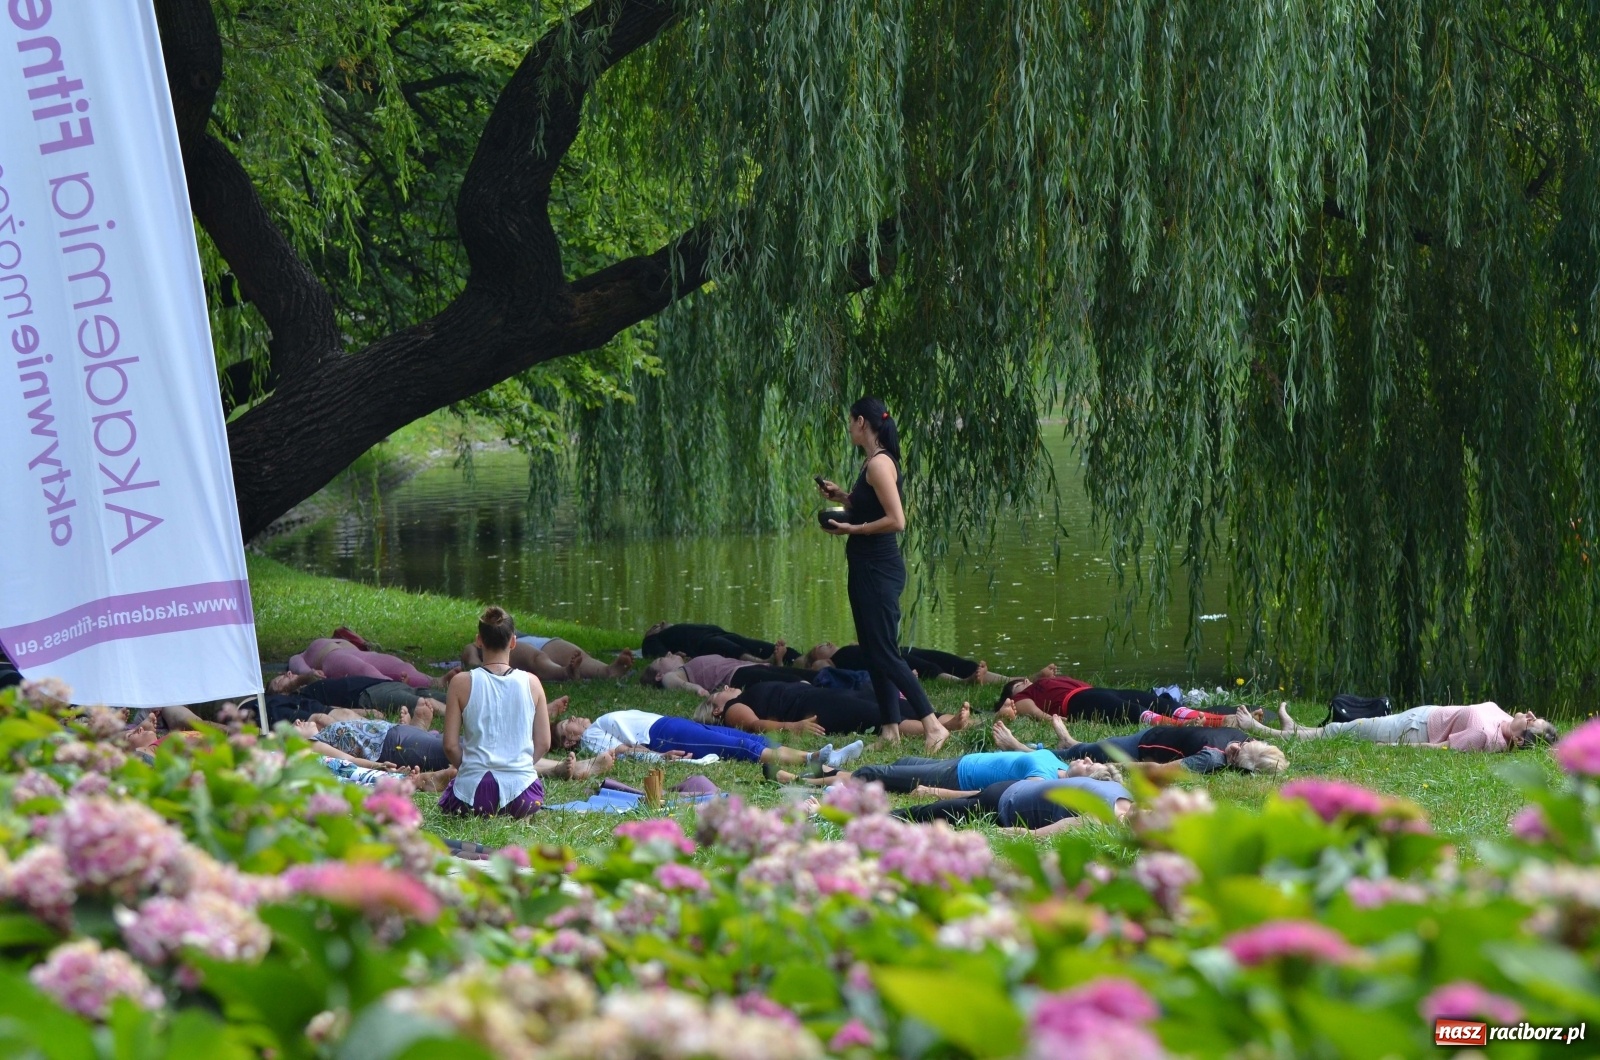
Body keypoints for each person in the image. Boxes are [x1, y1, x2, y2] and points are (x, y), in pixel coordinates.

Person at [817, 397, 950, 752]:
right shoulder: (871, 464)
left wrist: (853, 530)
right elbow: (870, 506)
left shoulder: (878, 465)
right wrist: (843, 497)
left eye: (850, 422)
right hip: (865, 567)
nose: (848, 428)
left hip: (879, 568)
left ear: (862, 422)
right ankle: (889, 730)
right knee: (874, 651)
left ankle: (933, 725)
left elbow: (897, 520)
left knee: (885, 651)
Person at [439, 607, 552, 818]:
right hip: (523, 797)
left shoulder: (460, 682)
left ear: (479, 641)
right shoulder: (533, 683)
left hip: (473, 796)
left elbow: (450, 746)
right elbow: (544, 743)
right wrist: (521, 766)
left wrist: (469, 769)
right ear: (513, 642)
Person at [553, 709, 863, 771]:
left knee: (739, 736)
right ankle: (814, 760)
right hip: (662, 735)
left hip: (666, 724)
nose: (576, 718)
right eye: (568, 723)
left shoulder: (592, 727)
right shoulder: (590, 740)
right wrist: (657, 758)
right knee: (741, 747)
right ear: (568, 742)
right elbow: (621, 751)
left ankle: (821, 760)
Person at [1001, 716, 1287, 774]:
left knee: (1073, 758)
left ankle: (1022, 749)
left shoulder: (1211, 759)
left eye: (1235, 756)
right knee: (1082, 749)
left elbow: (1155, 769)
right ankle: (1072, 742)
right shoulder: (1247, 743)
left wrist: (1115, 767)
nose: (1235, 747)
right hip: (1151, 736)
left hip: (1140, 749)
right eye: (1239, 746)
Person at [1234, 702, 1556, 753]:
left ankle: (1264, 731)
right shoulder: (1501, 718)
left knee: (1343, 731)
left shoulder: (1485, 737)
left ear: (1519, 737)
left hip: (1412, 729)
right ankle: (1294, 728)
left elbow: (1439, 750)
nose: (1528, 713)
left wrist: (1390, 748)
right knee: (1344, 729)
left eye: (1531, 721)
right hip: (1420, 715)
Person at [695, 682, 972, 739]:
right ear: (716, 709)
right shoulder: (732, 709)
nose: (728, 687)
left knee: (894, 704)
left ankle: (953, 722)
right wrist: (793, 728)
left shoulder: (747, 691)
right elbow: (755, 725)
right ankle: (945, 727)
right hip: (812, 708)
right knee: (875, 717)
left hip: (821, 694)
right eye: (720, 690)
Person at [894, 772, 1133, 836]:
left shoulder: (1118, 801)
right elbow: (1033, 836)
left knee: (923, 814)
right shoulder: (1102, 816)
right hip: (1001, 802)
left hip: (1010, 792)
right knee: (917, 816)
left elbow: (1033, 835)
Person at [820, 746, 1081, 794]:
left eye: (1093, 768)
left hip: (957, 778)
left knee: (874, 772)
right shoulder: (1060, 764)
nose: (1091, 762)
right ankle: (824, 769)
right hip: (963, 761)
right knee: (904, 762)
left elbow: (1006, 793)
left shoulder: (1044, 781)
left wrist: (936, 792)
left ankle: (829, 786)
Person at [994, 672, 1185, 723]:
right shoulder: (1022, 698)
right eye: (1019, 685)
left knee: (1157, 702)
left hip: (1097, 691)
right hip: (1078, 702)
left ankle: (1209, 718)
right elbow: (1031, 710)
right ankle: (1181, 724)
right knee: (1133, 711)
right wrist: (1056, 720)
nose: (1025, 682)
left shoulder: (1040, 684)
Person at [802, 642, 1020, 685]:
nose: (826, 642)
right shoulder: (841, 659)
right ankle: (961, 683)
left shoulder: (849, 647)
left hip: (897, 648)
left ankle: (1013, 680)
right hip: (887, 656)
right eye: (818, 647)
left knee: (950, 660)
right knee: (927, 669)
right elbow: (816, 670)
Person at [461, 631, 635, 682]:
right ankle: (565, 673)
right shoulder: (484, 644)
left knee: (579, 656)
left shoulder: (514, 630)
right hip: (510, 646)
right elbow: (472, 662)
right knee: (538, 659)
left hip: (540, 641)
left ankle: (607, 671)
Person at [268, 672, 443, 716]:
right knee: (425, 702)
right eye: (280, 679)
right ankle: (467, 717)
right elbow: (329, 709)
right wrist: (366, 713)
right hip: (368, 696)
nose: (288, 674)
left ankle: (468, 707)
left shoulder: (306, 688)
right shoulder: (299, 699)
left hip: (382, 685)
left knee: (441, 696)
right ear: (279, 693)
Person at [288, 638, 436, 689]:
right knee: (364, 669)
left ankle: (436, 682)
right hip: (331, 657)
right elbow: (296, 664)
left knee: (401, 666)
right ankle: (393, 686)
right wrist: (308, 673)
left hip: (360, 653)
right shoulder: (302, 654)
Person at [642, 653, 815, 695]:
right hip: (737, 675)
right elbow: (670, 680)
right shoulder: (674, 674)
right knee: (796, 682)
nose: (668, 653)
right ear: (658, 674)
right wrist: (696, 689)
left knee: (809, 675)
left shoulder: (689, 663)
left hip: (752, 667)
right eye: (660, 659)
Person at [642, 623, 798, 665]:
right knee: (730, 648)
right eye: (654, 627)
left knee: (754, 645)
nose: (661, 623)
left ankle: (799, 659)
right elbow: (661, 655)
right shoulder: (653, 640)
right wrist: (673, 656)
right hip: (702, 643)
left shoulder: (678, 628)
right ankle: (765, 662)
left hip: (718, 633)